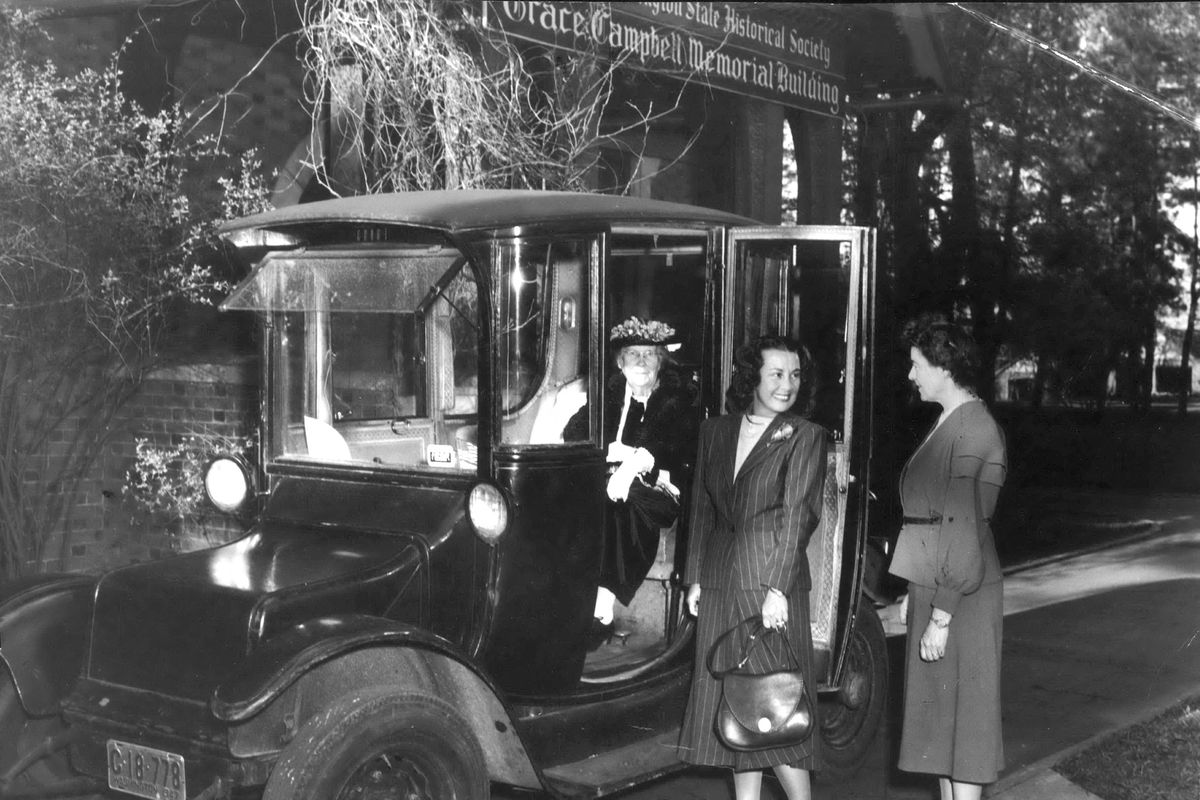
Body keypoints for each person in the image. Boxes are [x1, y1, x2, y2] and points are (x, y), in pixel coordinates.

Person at [677, 335, 826, 800]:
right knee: (738, 709)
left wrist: (777, 590)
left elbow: (799, 514)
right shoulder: (715, 431)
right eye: (777, 374)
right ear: (751, 377)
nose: (788, 385)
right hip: (722, 581)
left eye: (795, 375)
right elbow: (702, 506)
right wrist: (695, 577)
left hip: (769, 587)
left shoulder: (805, 435)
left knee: (776, 706)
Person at [888, 316, 1007, 800]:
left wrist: (940, 613)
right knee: (940, 733)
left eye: (917, 365)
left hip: (961, 595)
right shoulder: (948, 421)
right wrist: (914, 590)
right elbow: (930, 516)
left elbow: (963, 525)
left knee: (966, 734)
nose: (910, 375)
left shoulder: (974, 428)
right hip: (939, 586)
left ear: (944, 365)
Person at [564, 315, 698, 646]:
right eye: (633, 354)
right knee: (599, 499)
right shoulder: (610, 393)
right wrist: (611, 452)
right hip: (613, 490)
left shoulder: (677, 395)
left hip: (662, 491)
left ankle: (602, 605)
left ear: (660, 361)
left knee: (624, 496)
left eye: (648, 354)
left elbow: (674, 443)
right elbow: (575, 432)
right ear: (621, 362)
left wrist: (634, 462)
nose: (640, 361)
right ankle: (589, 600)